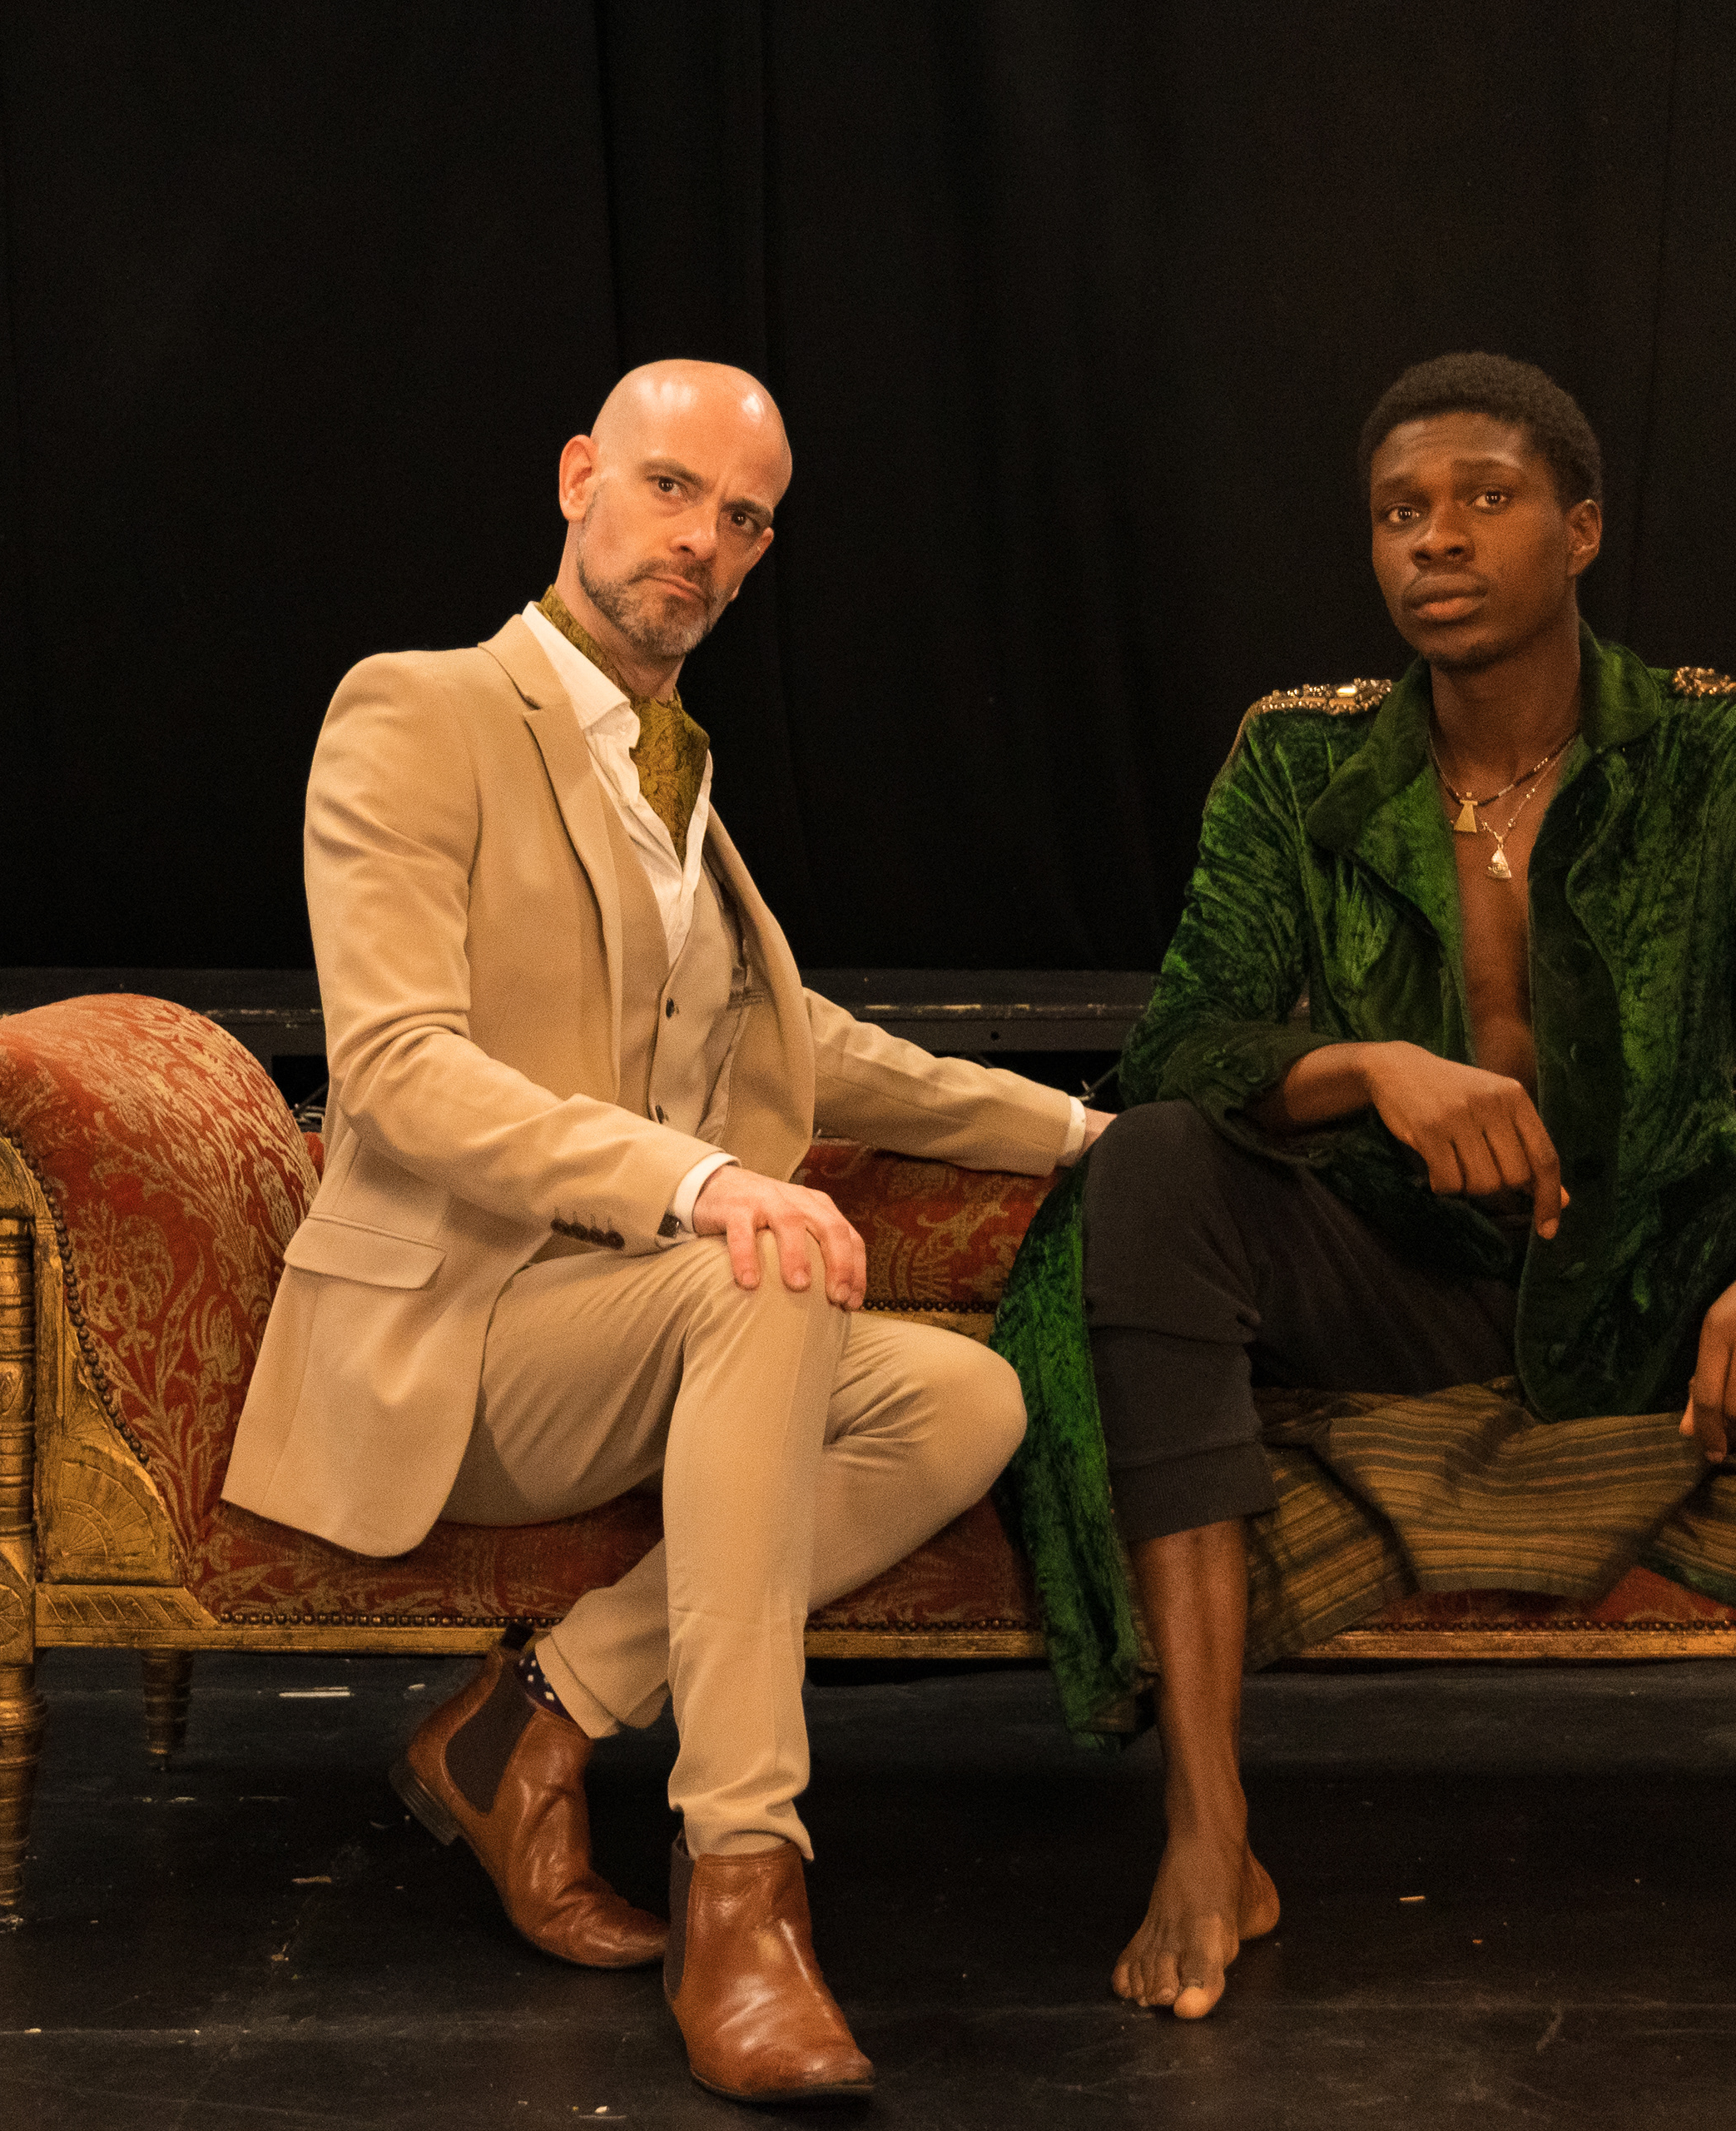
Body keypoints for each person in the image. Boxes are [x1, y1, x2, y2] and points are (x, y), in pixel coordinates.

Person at [999, 352, 1736, 2031]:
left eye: (1483, 500)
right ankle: (1210, 1829)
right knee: (1148, 1166)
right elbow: (1187, 1038)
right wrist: (1372, 1066)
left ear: (1580, 530)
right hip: (1391, 1263)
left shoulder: (1722, 749)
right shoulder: (1300, 765)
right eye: (1398, 513)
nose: (1434, 539)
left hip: (1656, 1266)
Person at [227, 360, 1104, 2104]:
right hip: (454, 1341)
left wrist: (1086, 1133)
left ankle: (529, 1714)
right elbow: (399, 1070)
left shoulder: (676, 774)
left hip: (621, 1323)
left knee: (969, 1401)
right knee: (758, 1271)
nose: (700, 538)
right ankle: (745, 1886)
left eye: (744, 518)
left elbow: (809, 1046)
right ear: (578, 478)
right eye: (669, 487)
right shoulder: (418, 708)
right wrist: (698, 1185)